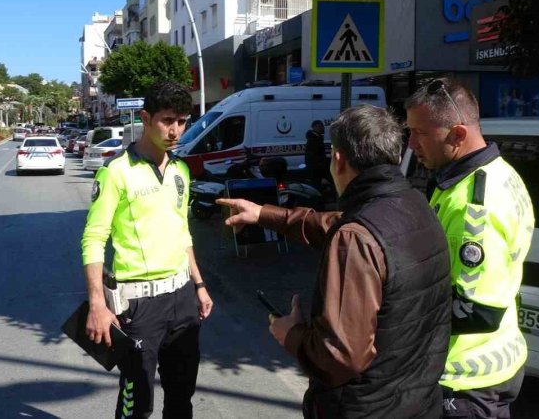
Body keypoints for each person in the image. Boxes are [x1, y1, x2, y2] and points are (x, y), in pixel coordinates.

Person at [218, 105, 451, 418]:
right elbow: (333, 224)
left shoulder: (357, 236)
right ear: (394, 156)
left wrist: (292, 335)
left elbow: (339, 356)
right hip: (419, 402)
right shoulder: (415, 205)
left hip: (366, 409)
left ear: (338, 160)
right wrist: (263, 214)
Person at [81, 81, 214, 419]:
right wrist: (97, 304)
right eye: (167, 120)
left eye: (182, 121)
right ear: (145, 118)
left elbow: (182, 232)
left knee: (181, 399)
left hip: (182, 298)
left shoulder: (181, 171)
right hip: (139, 308)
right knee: (136, 406)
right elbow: (94, 238)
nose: (175, 130)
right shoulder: (115, 173)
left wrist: (198, 285)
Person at [405, 79, 535, 419]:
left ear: (458, 135)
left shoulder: (475, 207)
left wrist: (391, 315)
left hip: (465, 382)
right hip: (492, 366)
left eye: (420, 133)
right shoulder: (497, 173)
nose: (410, 143)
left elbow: (476, 311)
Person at [304, 120, 330, 189]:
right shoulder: (313, 139)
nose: (323, 128)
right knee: (317, 185)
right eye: (321, 126)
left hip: (317, 168)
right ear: (315, 127)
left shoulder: (317, 138)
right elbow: (314, 156)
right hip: (316, 168)